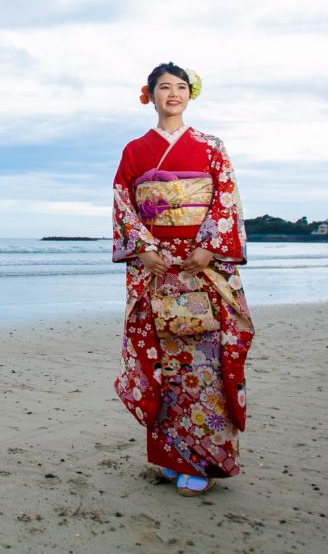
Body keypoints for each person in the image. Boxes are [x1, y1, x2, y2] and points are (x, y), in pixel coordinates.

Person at [112, 62, 253, 497]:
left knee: (205, 361)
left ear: (190, 95)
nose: (172, 94)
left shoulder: (211, 146)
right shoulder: (135, 150)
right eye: (163, 87)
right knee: (164, 363)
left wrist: (209, 245)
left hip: (201, 265)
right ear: (149, 94)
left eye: (180, 87)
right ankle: (171, 458)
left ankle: (204, 461)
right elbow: (123, 200)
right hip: (156, 267)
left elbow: (225, 197)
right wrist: (143, 249)